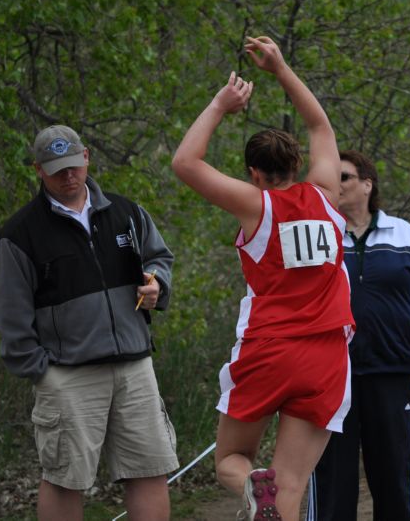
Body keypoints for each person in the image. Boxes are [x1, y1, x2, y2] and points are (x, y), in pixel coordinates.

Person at [171, 36, 354, 521]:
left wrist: (219, 104)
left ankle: (252, 484)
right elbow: (320, 123)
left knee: (232, 461)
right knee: (292, 486)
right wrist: (280, 67)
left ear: (254, 173)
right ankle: (268, 493)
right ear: (297, 165)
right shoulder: (327, 197)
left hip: (269, 350)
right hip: (326, 356)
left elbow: (185, 163)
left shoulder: (257, 206)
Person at [0, 124, 178, 521]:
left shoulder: (126, 213)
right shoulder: (19, 234)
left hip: (135, 365)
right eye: (57, 169)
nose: (68, 175)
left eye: (74, 165)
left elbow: (160, 258)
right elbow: (9, 316)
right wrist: (44, 372)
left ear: (87, 156)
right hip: (68, 375)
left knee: (149, 469)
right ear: (38, 170)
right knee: (64, 478)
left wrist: (158, 283)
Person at [306, 150, 410, 521]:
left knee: (392, 475)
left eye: (344, 177)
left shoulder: (406, 236)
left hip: (391, 374)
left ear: (367, 185)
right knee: (332, 484)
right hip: (330, 380)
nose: (335, 184)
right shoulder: (319, 237)